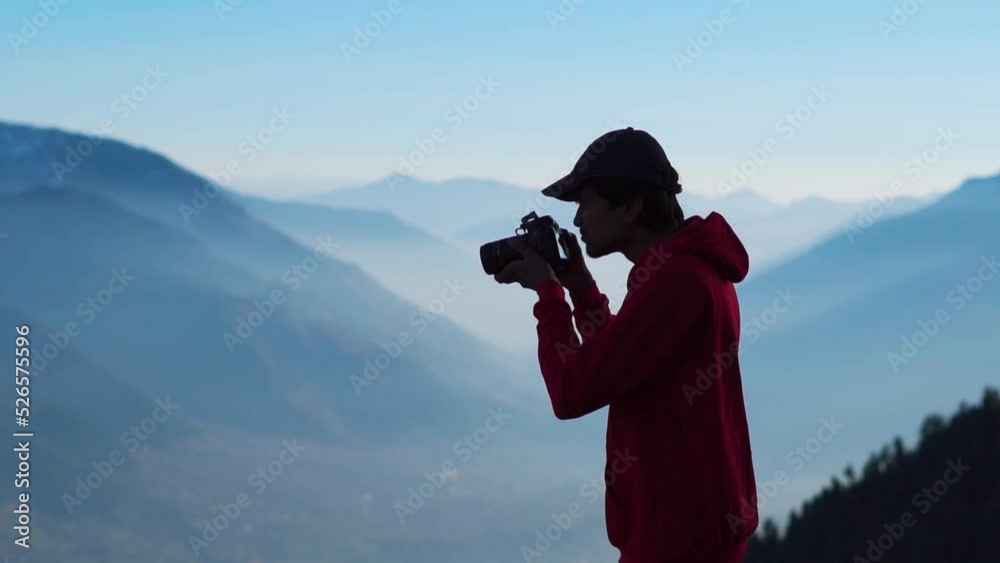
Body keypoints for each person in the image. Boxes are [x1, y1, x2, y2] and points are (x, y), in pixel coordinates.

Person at [494, 127, 759, 562]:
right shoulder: (688, 272)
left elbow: (571, 390)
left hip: (677, 541)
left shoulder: (676, 282)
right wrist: (579, 285)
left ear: (632, 206)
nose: (576, 220)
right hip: (687, 533)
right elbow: (626, 365)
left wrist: (548, 295)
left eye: (586, 201)